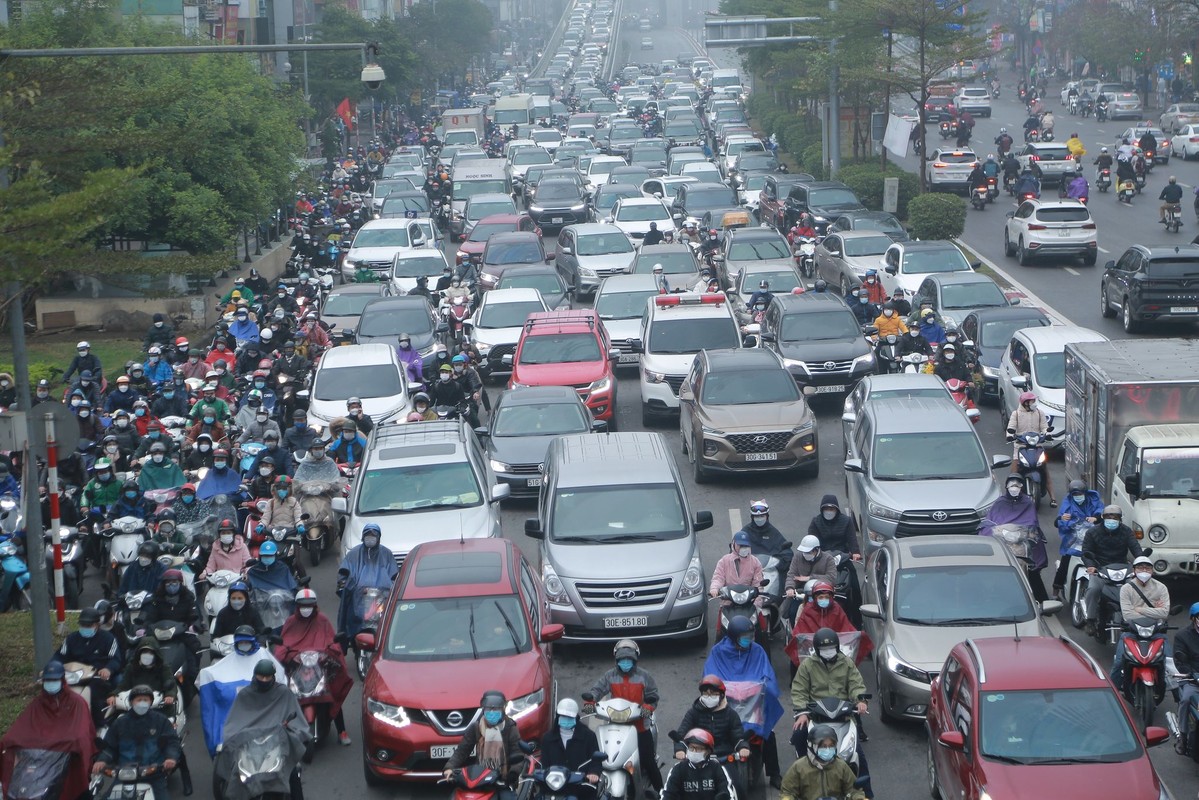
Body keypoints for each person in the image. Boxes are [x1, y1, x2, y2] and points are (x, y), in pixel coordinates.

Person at [703, 617, 784, 788]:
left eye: (750, 635)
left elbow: (767, 674)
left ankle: (775, 774)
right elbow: (710, 676)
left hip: (753, 702)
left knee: (768, 731)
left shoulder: (758, 651)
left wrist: (765, 688)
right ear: (733, 636)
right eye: (744, 636)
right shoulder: (718, 652)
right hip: (727, 704)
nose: (749, 639)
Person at [212, 659, 309, 800]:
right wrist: (235, 738)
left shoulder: (284, 693)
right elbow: (234, 723)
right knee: (234, 775)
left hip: (276, 747)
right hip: (250, 748)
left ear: (273, 676)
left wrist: (291, 732)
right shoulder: (245, 695)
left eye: (267, 677)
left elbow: (297, 722)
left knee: (293, 773)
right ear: (255, 675)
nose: (264, 680)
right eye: (261, 676)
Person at [0, 661, 97, 800]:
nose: (51, 683)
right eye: (48, 680)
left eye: (54, 680)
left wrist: (70, 744)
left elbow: (81, 733)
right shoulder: (38, 703)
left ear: (62, 680)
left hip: (66, 757)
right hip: (38, 757)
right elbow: (22, 727)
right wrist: (9, 742)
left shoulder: (76, 702)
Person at [584, 639, 665, 795]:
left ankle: (662, 792)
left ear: (635, 660)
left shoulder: (644, 676)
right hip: (615, 725)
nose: (625, 663)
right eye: (622, 660)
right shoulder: (610, 676)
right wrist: (590, 701)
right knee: (602, 758)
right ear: (617, 660)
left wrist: (648, 708)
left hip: (639, 726)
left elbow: (653, 696)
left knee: (648, 760)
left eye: (629, 660)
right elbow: (597, 690)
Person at [274, 589, 354, 745]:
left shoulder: (322, 620)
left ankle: (342, 731)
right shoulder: (291, 622)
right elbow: (283, 646)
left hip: (320, 668)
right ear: (297, 606)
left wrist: (329, 653)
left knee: (333, 691)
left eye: (309, 605)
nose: (306, 609)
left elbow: (332, 642)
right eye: (302, 606)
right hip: (296, 669)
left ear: (315, 606)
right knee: (283, 695)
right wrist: (289, 656)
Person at [790, 628, 869, 760]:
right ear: (816, 649)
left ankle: (863, 781)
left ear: (837, 647)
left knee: (857, 753)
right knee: (799, 734)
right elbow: (799, 690)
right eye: (824, 649)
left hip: (842, 713)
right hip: (815, 714)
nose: (828, 652)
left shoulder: (847, 663)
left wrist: (861, 701)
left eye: (831, 648)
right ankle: (803, 765)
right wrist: (802, 713)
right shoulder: (807, 665)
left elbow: (856, 684)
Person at [93, 684, 182, 799]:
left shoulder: (161, 721)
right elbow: (109, 746)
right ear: (131, 702)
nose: (142, 703)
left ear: (151, 702)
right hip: (124, 776)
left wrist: (170, 758)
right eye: (139, 700)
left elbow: (172, 742)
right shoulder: (120, 723)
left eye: (145, 700)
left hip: (153, 775)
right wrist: (102, 760)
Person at [443, 690, 528, 796]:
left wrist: (512, 774)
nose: (492, 712)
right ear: (483, 709)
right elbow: (462, 751)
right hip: (479, 779)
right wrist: (449, 767)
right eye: (488, 709)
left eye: (496, 709)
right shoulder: (476, 727)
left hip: (502, 781)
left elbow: (518, 755)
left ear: (503, 709)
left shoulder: (510, 728)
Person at [980, 475, 1049, 601]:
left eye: (1017, 485)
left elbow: (1032, 522)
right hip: (1004, 542)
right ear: (1007, 486)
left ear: (1022, 487)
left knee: (1032, 569)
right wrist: (997, 531)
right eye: (1012, 485)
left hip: (1023, 543)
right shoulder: (1000, 502)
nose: (1014, 488)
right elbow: (990, 521)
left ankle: (1042, 600)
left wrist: (1026, 533)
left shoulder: (1027, 502)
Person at [51, 606, 122, 724]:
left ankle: (99, 723)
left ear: (97, 625)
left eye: (89, 626)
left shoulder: (108, 639)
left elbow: (116, 659)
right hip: (74, 677)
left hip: (97, 678)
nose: (85, 628)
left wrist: (108, 669)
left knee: (94, 695)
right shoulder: (71, 639)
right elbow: (59, 656)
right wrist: (51, 669)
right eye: (83, 625)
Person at [1082, 505, 1144, 633]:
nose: (1111, 519)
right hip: (1100, 569)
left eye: (1115, 517)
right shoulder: (1092, 533)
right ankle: (1091, 620)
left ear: (1120, 519)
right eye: (1108, 516)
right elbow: (1086, 552)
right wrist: (1091, 566)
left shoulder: (1126, 532)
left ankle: (1137, 618)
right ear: (1103, 518)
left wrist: (1142, 563)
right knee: (1093, 589)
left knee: (1136, 589)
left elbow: (1136, 549)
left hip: (1122, 569)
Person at [1111, 556, 1170, 688]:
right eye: (1140, 568)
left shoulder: (1161, 588)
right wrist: (1154, 610)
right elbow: (1127, 615)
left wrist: (1139, 609)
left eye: (1147, 568)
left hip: (1156, 632)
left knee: (1170, 664)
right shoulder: (1126, 588)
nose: (1144, 570)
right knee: (1119, 662)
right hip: (1131, 632)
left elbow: (1164, 613)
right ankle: (1113, 694)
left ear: (1152, 571)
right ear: (1134, 570)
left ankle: (1180, 698)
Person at [785, 582, 873, 670]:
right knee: (795, 664)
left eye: (827, 597)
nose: (824, 600)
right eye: (821, 597)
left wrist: (856, 637)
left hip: (834, 650)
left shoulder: (837, 609)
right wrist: (802, 640)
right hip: (812, 651)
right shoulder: (808, 609)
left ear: (831, 598)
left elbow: (846, 628)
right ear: (815, 598)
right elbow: (799, 631)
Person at [336, 523, 398, 642]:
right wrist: (345, 584)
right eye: (368, 535)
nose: (370, 538)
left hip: (380, 597)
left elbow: (394, 575)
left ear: (379, 538)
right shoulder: (354, 553)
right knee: (347, 609)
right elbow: (344, 572)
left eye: (373, 535)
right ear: (363, 537)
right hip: (358, 597)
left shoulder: (386, 554)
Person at [778, 724, 867, 800]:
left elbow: (853, 789)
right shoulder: (799, 767)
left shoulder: (841, 766)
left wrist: (859, 797)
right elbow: (787, 791)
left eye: (831, 746)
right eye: (823, 746)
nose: (828, 749)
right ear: (812, 746)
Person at [1053, 480, 1104, 601]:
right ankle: (1055, 591)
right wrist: (1062, 519)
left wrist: (1095, 518)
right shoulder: (1068, 504)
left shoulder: (1094, 500)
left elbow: (1101, 513)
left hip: (1092, 539)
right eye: (1075, 495)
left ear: (1085, 493)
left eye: (1080, 494)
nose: (1078, 497)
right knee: (1064, 565)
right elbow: (1059, 521)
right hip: (1074, 540)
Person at [1006, 390, 1055, 505]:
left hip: (1037, 446)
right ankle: (1009, 496)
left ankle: (1053, 498)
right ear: (1026, 403)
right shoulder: (1016, 414)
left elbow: (1044, 427)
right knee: (1014, 470)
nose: (1034, 403)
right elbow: (1011, 427)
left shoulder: (1039, 413)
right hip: (1020, 446)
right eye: (1032, 401)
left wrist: (1047, 434)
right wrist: (1010, 436)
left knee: (1045, 470)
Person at [539, 698, 602, 787]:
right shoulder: (548, 738)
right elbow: (544, 764)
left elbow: (596, 761)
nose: (566, 719)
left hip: (581, 787)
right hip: (554, 787)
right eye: (564, 716)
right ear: (558, 716)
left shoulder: (589, 736)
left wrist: (594, 773)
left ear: (576, 717)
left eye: (570, 717)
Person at [660, 729, 733, 800]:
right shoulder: (678, 769)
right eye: (691, 748)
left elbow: (726, 793)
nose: (694, 751)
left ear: (708, 751)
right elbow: (668, 794)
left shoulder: (717, 768)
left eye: (698, 748)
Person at [737, 499, 794, 577]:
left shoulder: (773, 532)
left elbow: (786, 551)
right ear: (752, 517)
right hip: (749, 572)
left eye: (762, 516)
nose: (759, 518)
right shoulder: (745, 532)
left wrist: (779, 564)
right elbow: (735, 551)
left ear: (767, 516)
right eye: (756, 516)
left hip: (770, 572)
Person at [709, 530, 764, 603]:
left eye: (746, 546)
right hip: (728, 602)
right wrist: (714, 588)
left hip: (748, 603)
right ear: (733, 544)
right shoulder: (724, 561)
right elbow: (718, 577)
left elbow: (758, 584)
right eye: (740, 546)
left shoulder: (755, 562)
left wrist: (756, 605)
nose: (743, 548)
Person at [1173, 603, 1199, 755]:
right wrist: (1193, 674)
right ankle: (1182, 737)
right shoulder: (1182, 635)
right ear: (1193, 619)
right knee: (1186, 700)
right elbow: (1180, 661)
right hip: (1192, 679)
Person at [786, 536, 838, 609]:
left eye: (808, 552)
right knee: (792, 612)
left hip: (821, 593)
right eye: (804, 552)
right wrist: (790, 588)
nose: (805, 554)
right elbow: (792, 574)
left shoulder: (828, 559)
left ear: (816, 549)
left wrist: (809, 578)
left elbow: (831, 577)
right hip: (801, 592)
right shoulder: (797, 556)